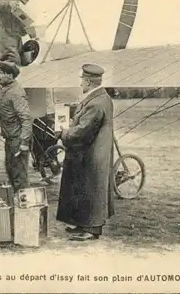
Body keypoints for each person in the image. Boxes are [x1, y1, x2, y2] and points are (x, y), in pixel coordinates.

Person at [55, 63, 115, 241]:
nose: (81, 84)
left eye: (82, 80)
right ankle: (84, 225)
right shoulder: (101, 98)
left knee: (91, 189)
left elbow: (81, 132)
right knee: (84, 188)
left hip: (91, 154)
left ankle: (90, 229)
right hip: (93, 152)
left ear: (88, 82)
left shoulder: (95, 103)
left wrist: (63, 132)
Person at [0, 43, 33, 192]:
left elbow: (26, 119)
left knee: (20, 176)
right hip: (9, 139)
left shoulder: (16, 93)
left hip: (17, 140)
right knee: (10, 170)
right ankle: (17, 202)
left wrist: (23, 143)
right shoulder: (5, 81)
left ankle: (24, 207)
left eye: (2, 74)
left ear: (9, 76)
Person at [0, 0, 38, 65]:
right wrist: (8, 3)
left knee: (22, 63)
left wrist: (31, 32)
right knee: (13, 63)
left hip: (17, 42)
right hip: (5, 40)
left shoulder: (24, 10)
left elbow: (22, 30)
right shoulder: (8, 0)